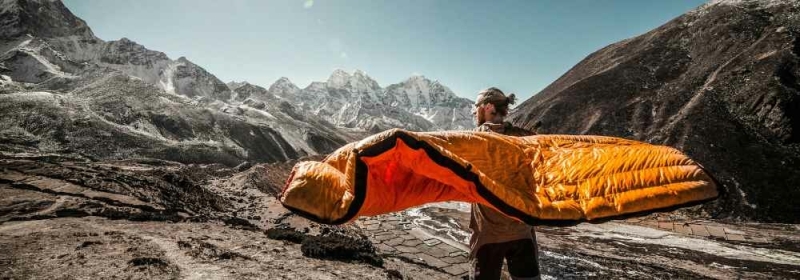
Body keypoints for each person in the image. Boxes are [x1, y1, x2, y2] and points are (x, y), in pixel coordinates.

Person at [468, 87, 540, 280]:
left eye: (476, 107)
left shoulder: (473, 139)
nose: (475, 112)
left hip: (489, 235)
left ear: (488, 107)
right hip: (522, 232)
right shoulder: (526, 138)